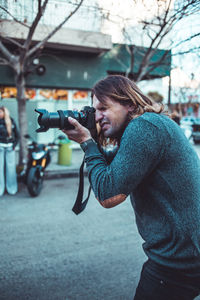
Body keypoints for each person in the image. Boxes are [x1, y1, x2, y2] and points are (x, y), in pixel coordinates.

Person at [63, 75, 200, 300]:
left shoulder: (144, 126)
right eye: (94, 110)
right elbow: (115, 162)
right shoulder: (150, 125)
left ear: (129, 104)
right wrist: (90, 139)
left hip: (178, 261)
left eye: (103, 108)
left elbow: (108, 194)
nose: (97, 117)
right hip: (187, 254)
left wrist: (87, 144)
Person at [0, 106, 19, 196]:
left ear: (5, 113)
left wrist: (14, 146)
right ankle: (0, 189)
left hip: (10, 147)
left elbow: (17, 135)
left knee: (11, 169)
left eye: (0, 112)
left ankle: (12, 188)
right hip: (0, 147)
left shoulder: (11, 121)